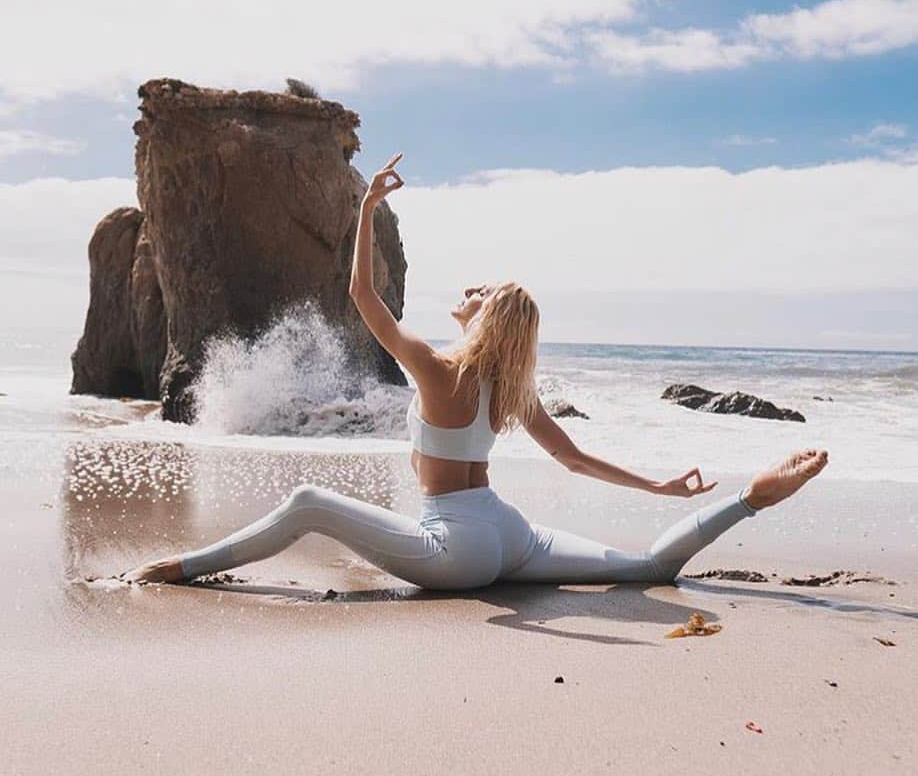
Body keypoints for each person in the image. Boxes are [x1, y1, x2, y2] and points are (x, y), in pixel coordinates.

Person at [125, 153, 828, 590]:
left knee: (310, 500)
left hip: (454, 546)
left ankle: (180, 568)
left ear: (485, 319)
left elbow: (361, 297)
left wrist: (368, 207)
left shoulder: (433, 367)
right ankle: (751, 499)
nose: (468, 289)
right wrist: (661, 486)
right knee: (643, 570)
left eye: (480, 292)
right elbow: (577, 462)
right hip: (508, 536)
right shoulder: (513, 391)